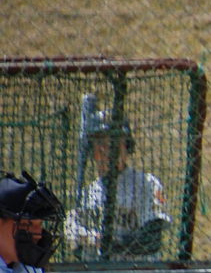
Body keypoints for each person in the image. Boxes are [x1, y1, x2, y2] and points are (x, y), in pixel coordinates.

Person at [66, 101, 170, 261]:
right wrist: (85, 238)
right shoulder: (86, 194)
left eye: (114, 142)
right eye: (101, 143)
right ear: (92, 151)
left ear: (127, 147)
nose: (108, 149)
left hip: (139, 271)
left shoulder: (147, 184)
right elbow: (75, 246)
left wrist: (108, 243)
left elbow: (152, 240)